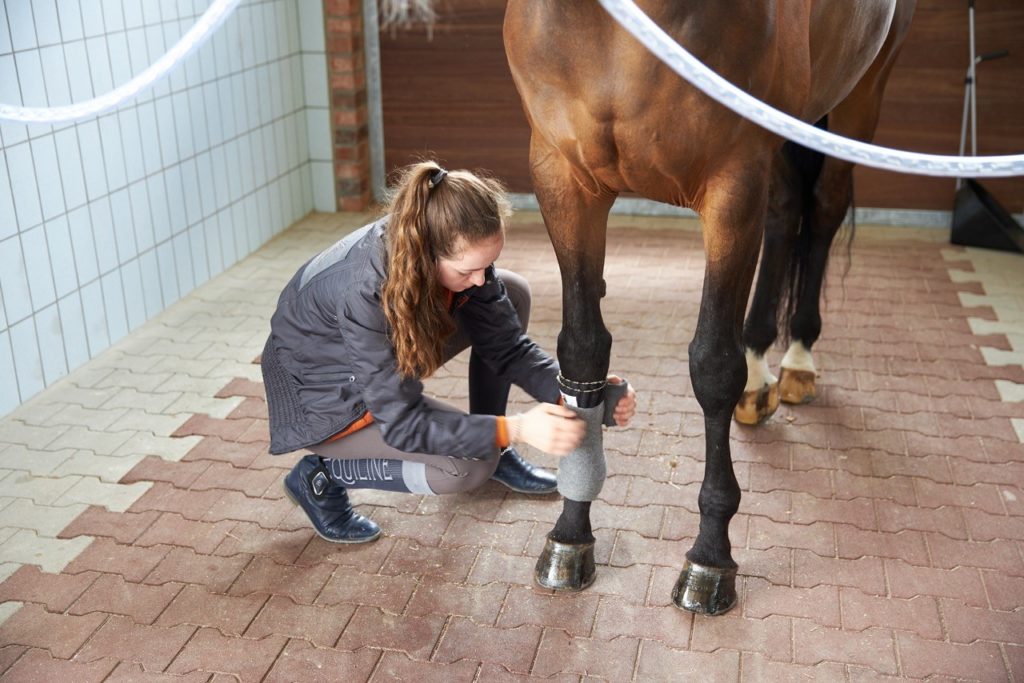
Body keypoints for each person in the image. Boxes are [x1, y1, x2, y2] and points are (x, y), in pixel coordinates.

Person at [261, 161, 636, 543]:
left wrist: (579, 394)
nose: (480, 278)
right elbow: (405, 423)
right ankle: (322, 476)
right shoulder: (368, 292)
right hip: (321, 397)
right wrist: (516, 429)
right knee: (467, 468)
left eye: (486, 264)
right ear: (430, 254)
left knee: (514, 291)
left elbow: (507, 347)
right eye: (468, 270)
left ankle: (493, 443)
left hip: (370, 355)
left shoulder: (441, 249)